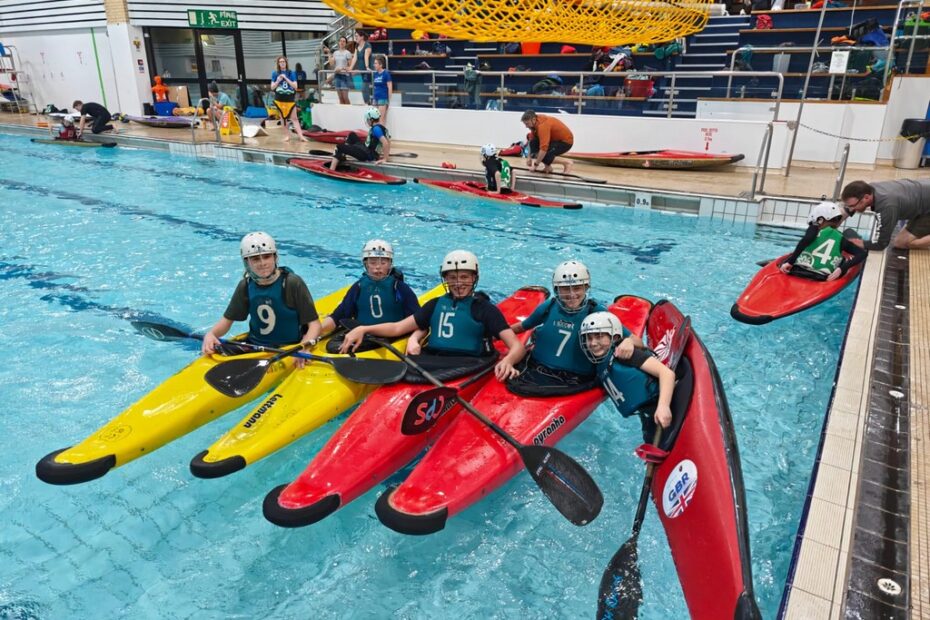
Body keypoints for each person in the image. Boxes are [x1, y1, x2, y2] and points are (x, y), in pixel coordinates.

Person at [340, 250, 525, 382]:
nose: (458, 283)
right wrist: (364, 329)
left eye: (464, 277)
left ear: (474, 278)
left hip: (469, 364)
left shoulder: (485, 310)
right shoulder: (435, 304)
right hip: (431, 361)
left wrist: (508, 361)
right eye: (452, 278)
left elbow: (517, 347)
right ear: (445, 279)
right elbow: (398, 328)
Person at [508, 261, 643, 394]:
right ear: (557, 289)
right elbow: (522, 327)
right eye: (565, 288)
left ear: (586, 288)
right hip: (535, 368)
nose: (572, 294)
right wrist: (500, 332)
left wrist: (628, 341)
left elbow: (638, 342)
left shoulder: (597, 312)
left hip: (575, 379)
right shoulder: (548, 306)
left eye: (577, 288)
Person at [201, 232, 322, 368]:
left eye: (266, 256)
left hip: (288, 347)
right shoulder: (245, 285)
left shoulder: (292, 283)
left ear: (275, 257)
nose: (262, 263)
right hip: (255, 345)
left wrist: (304, 347)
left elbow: (315, 325)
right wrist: (211, 334)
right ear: (247, 262)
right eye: (255, 259)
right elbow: (226, 321)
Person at [579, 312, 676, 442]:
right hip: (647, 414)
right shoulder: (601, 364)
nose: (593, 343)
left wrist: (663, 407)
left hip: (666, 405)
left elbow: (667, 374)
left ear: (615, 337)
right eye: (589, 338)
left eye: (599, 336)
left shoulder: (626, 354)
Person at [319, 239, 421, 345]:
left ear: (390, 264)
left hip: (393, 339)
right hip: (364, 337)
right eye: (373, 262)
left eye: (383, 263)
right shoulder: (358, 287)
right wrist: (317, 330)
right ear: (366, 264)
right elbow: (338, 316)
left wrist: (413, 340)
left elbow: (419, 320)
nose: (378, 267)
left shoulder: (400, 288)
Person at [780, 201, 867, 281]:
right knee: (842, 259)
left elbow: (806, 240)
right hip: (822, 277)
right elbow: (862, 254)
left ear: (820, 219)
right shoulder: (841, 238)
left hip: (798, 270)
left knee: (787, 260)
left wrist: (790, 262)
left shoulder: (814, 228)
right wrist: (841, 269)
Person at [841, 179, 930, 250]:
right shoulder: (870, 188)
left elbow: (881, 244)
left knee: (901, 242)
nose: (851, 209)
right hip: (924, 192)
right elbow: (848, 209)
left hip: (927, 209)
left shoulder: (887, 207)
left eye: (853, 206)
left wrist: (862, 243)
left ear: (866, 198)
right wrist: (836, 221)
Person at [520, 110, 574, 175]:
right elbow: (531, 141)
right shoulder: (535, 122)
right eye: (525, 124)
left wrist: (535, 165)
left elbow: (543, 148)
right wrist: (529, 157)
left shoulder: (542, 126)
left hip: (566, 142)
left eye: (527, 124)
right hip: (555, 140)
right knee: (533, 144)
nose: (526, 126)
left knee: (543, 154)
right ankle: (548, 167)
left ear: (533, 119)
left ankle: (567, 162)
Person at [270, 56, 308, 143]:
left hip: (290, 99)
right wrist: (278, 80)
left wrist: (286, 78)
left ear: (286, 63)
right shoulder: (275, 73)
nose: (282, 63)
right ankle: (287, 136)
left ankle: (301, 136)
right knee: (283, 118)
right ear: (278, 63)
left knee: (294, 118)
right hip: (279, 99)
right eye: (280, 62)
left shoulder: (291, 73)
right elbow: (272, 87)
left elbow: (295, 86)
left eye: (283, 61)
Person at [326, 36, 353, 105]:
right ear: (338, 42)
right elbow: (331, 63)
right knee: (340, 98)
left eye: (344, 41)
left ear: (346, 43)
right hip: (337, 76)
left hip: (345, 76)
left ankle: (349, 110)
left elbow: (350, 66)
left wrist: (342, 68)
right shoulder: (335, 53)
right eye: (341, 41)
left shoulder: (348, 53)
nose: (342, 42)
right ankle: (343, 111)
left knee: (345, 97)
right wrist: (329, 53)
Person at [350, 31, 373, 104]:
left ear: (362, 37)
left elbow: (366, 56)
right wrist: (350, 68)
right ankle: (368, 102)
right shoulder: (357, 46)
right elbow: (355, 58)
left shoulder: (367, 45)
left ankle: (368, 103)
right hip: (362, 71)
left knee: (364, 88)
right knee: (365, 89)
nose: (355, 38)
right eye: (355, 36)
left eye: (357, 36)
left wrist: (367, 67)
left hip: (367, 71)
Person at [371, 55, 393, 122]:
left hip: (383, 98)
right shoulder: (375, 74)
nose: (374, 65)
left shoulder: (386, 74)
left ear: (380, 65)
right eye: (374, 63)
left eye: (376, 63)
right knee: (374, 119)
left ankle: (381, 129)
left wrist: (389, 100)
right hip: (375, 98)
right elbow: (375, 87)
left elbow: (390, 88)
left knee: (381, 119)